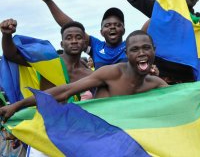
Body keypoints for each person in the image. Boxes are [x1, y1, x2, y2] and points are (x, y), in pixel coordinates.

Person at [0, 30, 168, 123]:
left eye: (146, 48)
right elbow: (65, 91)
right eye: (135, 49)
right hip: (93, 136)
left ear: (154, 50)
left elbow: (183, 98)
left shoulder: (156, 84)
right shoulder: (111, 73)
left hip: (129, 141)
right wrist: (17, 105)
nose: (141, 53)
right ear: (126, 53)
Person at [1, 19, 93, 156]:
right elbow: (11, 55)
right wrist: (6, 35)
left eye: (78, 37)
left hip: (76, 136)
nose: (74, 41)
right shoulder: (47, 61)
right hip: (44, 133)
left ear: (85, 43)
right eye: (69, 38)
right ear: (62, 43)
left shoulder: (90, 74)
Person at [38, 0, 127, 69]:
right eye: (107, 25)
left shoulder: (131, 44)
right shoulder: (96, 46)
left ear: (124, 30)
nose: (112, 27)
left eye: (117, 25)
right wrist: (49, 1)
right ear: (101, 32)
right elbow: (71, 25)